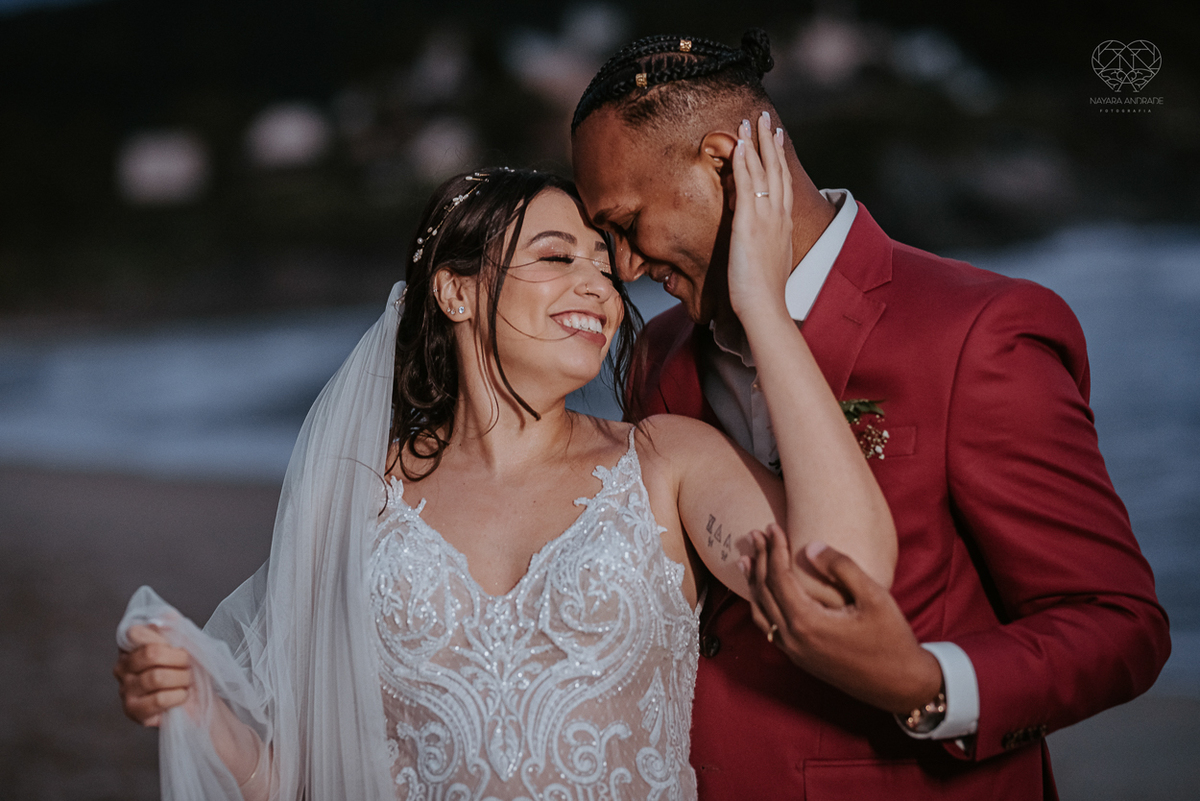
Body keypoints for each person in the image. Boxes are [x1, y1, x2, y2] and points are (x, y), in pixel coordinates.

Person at [113, 151, 896, 799]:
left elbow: (846, 573)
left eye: (604, 266)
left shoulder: (667, 462)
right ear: (455, 291)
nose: (600, 287)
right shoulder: (355, 494)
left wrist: (760, 304)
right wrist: (195, 701)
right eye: (558, 257)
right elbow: (299, 781)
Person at [570, 29, 1171, 800]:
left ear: (724, 164)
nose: (624, 267)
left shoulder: (978, 332)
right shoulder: (658, 354)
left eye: (625, 225)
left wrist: (924, 682)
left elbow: (1119, 625)